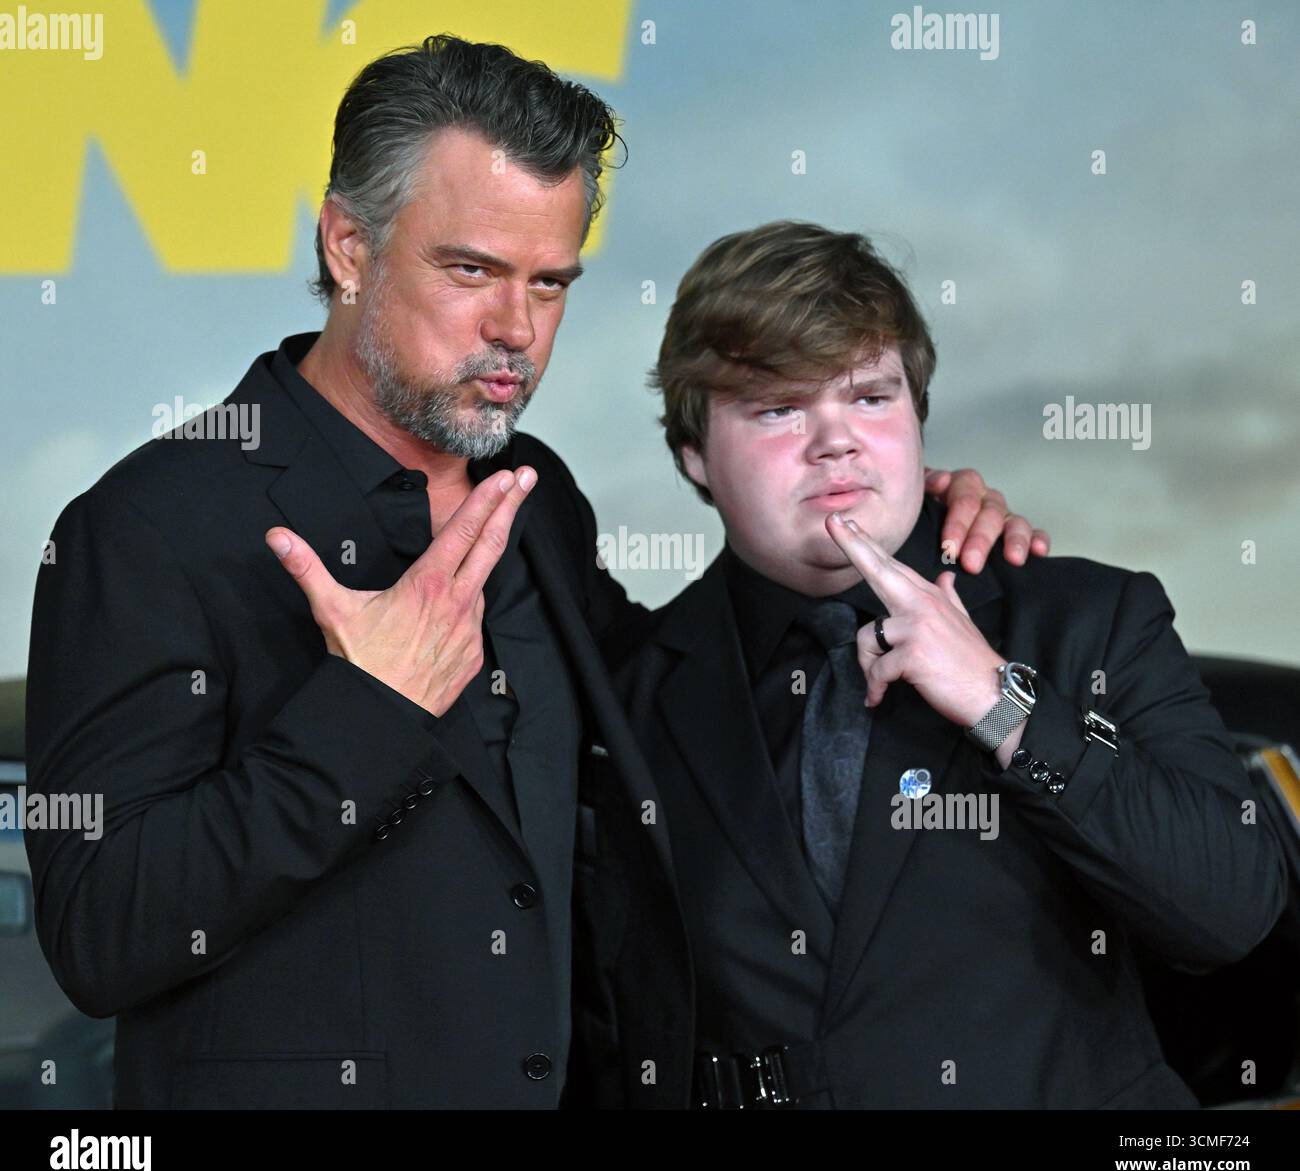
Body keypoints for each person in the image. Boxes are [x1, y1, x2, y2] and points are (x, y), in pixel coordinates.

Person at [24, 38, 1042, 1110]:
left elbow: (674, 691)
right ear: (349, 245)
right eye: (470, 270)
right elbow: (101, 932)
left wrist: (876, 520)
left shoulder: (532, 490)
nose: (516, 328)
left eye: (549, 282)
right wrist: (366, 712)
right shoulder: (153, 523)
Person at [578, 220, 1289, 1109]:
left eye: (870, 398)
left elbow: (1230, 911)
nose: (834, 442)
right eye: (777, 408)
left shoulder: (1086, 618)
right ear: (694, 455)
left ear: (918, 417)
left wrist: (1005, 703)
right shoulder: (628, 697)